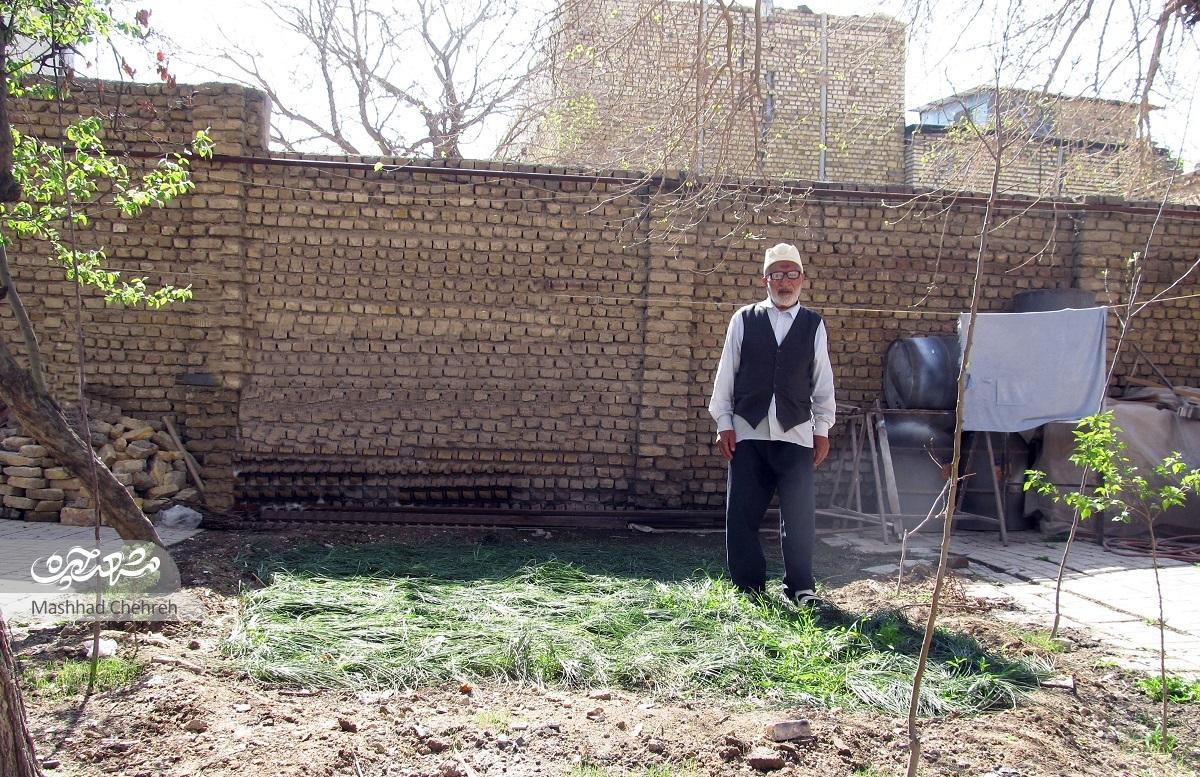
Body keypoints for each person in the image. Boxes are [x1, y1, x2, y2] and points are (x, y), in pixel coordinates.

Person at [708, 243, 836, 605]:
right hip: (748, 431)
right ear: (765, 280)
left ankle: (800, 587)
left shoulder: (813, 325)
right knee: (742, 514)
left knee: (799, 517)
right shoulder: (743, 319)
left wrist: (822, 429)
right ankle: (748, 589)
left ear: (802, 279)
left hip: (797, 433)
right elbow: (726, 374)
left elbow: (822, 381)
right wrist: (723, 422)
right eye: (777, 275)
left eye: (791, 274)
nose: (784, 282)